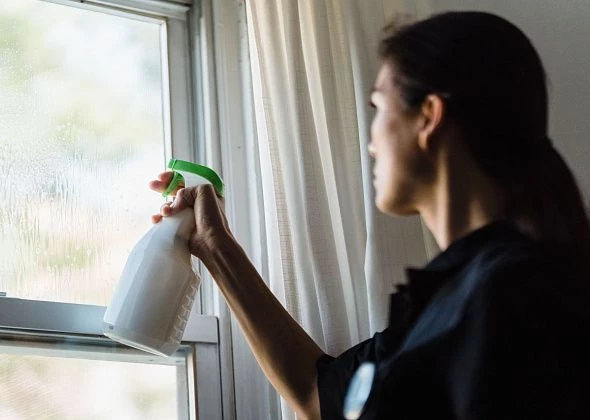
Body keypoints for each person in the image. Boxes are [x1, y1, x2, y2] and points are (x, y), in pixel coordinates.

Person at [150, 11, 590, 420]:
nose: (371, 141)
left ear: (429, 117)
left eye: (379, 108)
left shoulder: (516, 296)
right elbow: (316, 394)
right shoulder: (446, 304)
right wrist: (215, 246)